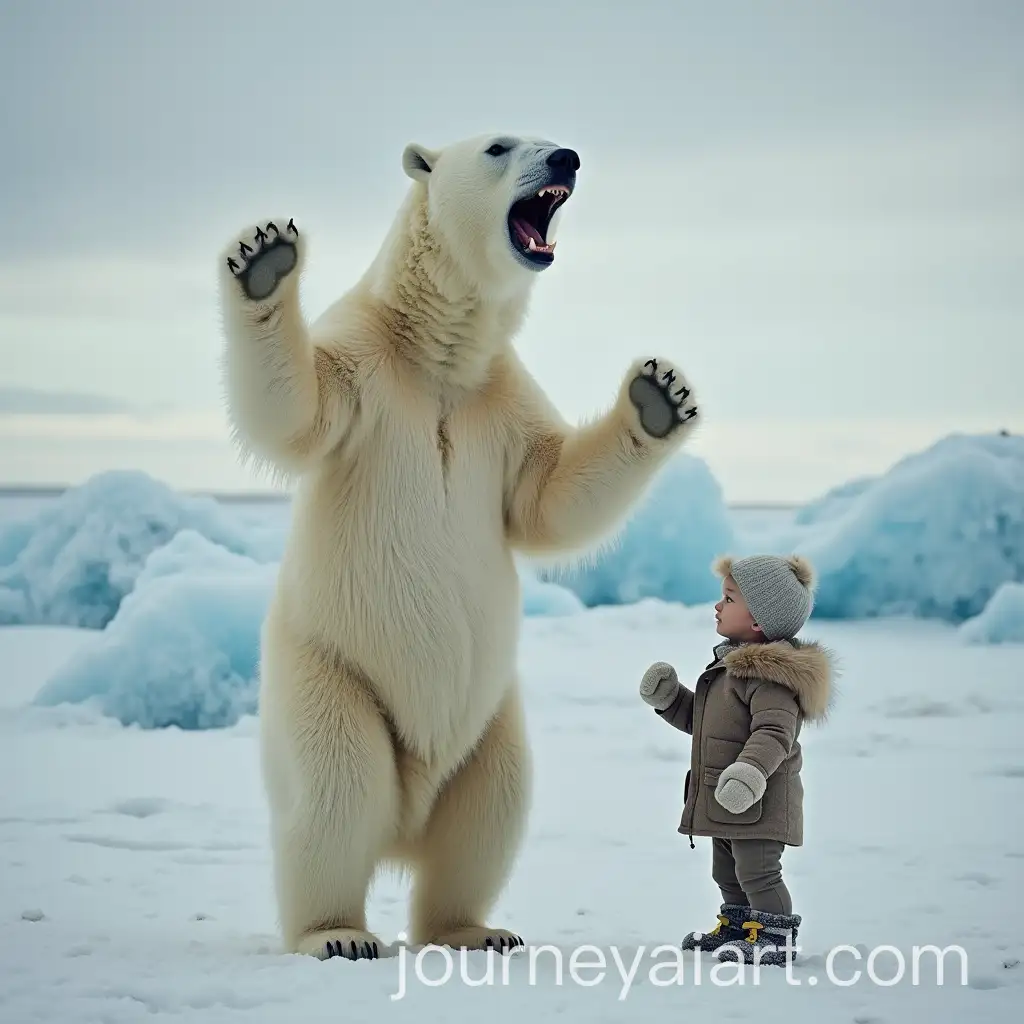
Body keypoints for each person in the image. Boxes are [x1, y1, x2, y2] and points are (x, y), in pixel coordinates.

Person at [638, 554, 836, 966]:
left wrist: (750, 774)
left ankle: (775, 939)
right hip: (725, 797)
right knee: (726, 873)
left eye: (728, 599)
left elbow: (774, 733)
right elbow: (706, 725)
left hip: (759, 798)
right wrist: (671, 699)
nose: (717, 605)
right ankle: (738, 927)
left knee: (758, 872)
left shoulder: (771, 679)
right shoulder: (729, 669)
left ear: (758, 621)